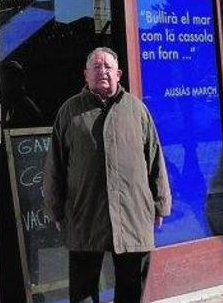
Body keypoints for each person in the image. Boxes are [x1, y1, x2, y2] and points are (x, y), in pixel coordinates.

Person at [43, 47, 171, 303]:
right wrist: (55, 208)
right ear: (86, 75)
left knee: (131, 288)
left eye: (108, 67)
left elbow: (155, 160)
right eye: (96, 67)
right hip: (84, 215)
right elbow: (54, 166)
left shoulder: (137, 110)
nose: (102, 71)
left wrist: (161, 204)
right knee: (83, 290)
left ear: (119, 74)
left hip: (132, 214)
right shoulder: (70, 112)